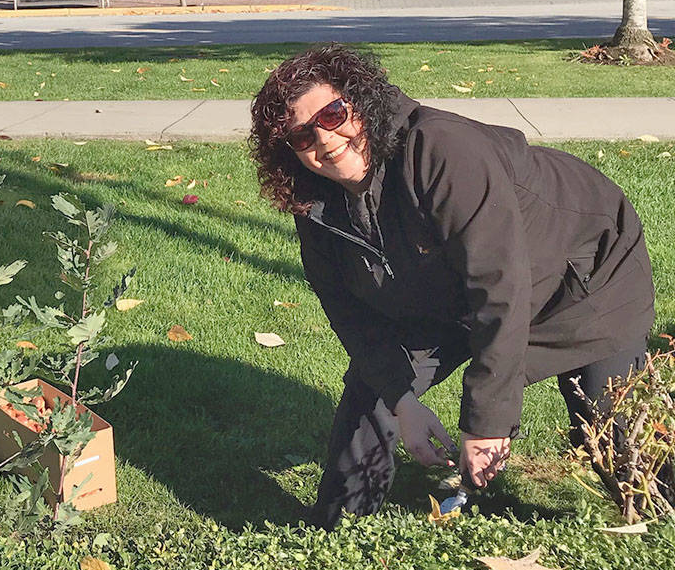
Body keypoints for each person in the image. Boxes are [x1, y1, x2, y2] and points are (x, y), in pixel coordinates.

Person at [249, 45, 654, 529]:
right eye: (301, 134)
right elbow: (351, 319)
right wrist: (404, 404)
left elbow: (499, 289)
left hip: (582, 273)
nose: (325, 138)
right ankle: (338, 530)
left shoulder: (441, 150)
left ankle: (657, 517)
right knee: (373, 388)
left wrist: (486, 422)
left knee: (608, 425)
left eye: (334, 114)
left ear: (362, 101)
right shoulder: (314, 202)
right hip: (447, 290)